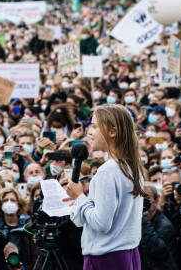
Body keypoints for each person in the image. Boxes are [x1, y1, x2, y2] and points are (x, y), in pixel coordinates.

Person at [66, 104, 146, 270]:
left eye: (95, 126)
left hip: (106, 257)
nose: (89, 132)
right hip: (127, 253)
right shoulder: (133, 166)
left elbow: (101, 224)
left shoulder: (108, 171)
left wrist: (79, 197)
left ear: (112, 132)